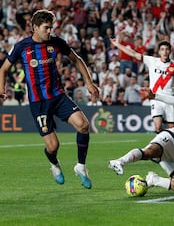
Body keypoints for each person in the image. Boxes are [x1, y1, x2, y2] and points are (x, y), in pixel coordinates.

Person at [0, 10, 100, 189]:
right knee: (53, 146)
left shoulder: (56, 42)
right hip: (38, 103)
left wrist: (89, 83)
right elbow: (3, 69)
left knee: (83, 125)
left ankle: (81, 167)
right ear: (35, 27)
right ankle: (54, 164)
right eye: (46, 28)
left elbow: (77, 60)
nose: (49, 31)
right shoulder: (22, 47)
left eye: (51, 28)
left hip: (58, 96)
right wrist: (1, 89)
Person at [110, 38, 174, 133]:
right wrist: (117, 45)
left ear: (170, 51)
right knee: (158, 127)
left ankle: (169, 145)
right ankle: (161, 145)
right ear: (159, 51)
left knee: (172, 129)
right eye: (162, 49)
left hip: (169, 99)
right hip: (156, 98)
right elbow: (134, 54)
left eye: (167, 49)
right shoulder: (152, 61)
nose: (165, 52)